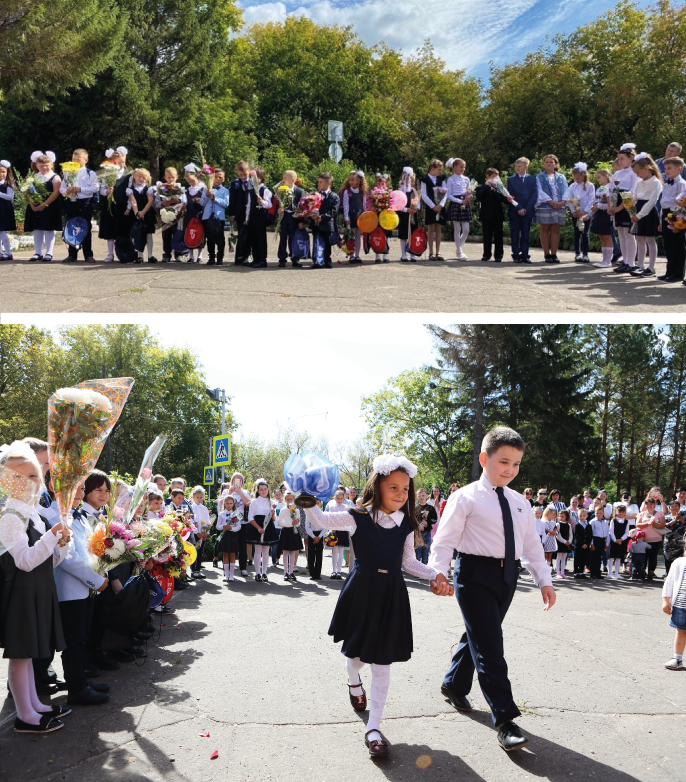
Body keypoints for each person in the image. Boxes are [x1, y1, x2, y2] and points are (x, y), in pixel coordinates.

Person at [303, 454, 451, 757]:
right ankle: (353, 679)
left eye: (405, 489)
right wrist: (309, 500)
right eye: (393, 488)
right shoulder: (357, 516)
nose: (400, 494)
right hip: (362, 591)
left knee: (382, 662)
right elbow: (319, 521)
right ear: (377, 487)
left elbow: (409, 562)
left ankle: (373, 727)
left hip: (391, 593)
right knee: (357, 656)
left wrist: (435, 574)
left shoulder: (407, 524)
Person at [430, 426, 554, 753]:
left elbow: (532, 545)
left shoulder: (520, 503)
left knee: (480, 635)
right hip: (473, 575)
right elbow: (443, 541)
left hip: (507, 577)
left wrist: (545, 580)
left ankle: (454, 683)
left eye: (516, 464)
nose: (510, 469)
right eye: (503, 461)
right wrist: (438, 573)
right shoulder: (466, 497)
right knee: (490, 646)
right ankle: (505, 720)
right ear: (485, 459)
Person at [0, 442, 72, 733]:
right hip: (20, 594)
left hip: (37, 591)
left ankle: (35, 705)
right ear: (6, 481)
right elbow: (25, 562)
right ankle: (24, 715)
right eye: (23, 476)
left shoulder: (33, 514)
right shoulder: (10, 516)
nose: (33, 481)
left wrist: (61, 544)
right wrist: (51, 536)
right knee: (21, 656)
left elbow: (46, 561)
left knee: (29, 655)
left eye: (35, 475)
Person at [52, 482, 110, 705]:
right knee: (74, 641)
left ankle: (82, 680)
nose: (80, 492)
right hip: (70, 588)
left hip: (85, 587)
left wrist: (100, 574)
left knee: (82, 637)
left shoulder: (78, 515)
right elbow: (68, 558)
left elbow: (90, 550)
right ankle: (77, 689)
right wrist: (96, 580)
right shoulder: (55, 514)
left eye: (81, 488)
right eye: (75, 488)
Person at [59, 149, 99, 263]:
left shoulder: (90, 173)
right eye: (73, 159)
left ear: (85, 160)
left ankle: (88, 255)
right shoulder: (67, 173)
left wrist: (79, 189)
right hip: (72, 203)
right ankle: (72, 254)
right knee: (71, 227)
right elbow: (61, 188)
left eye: (78, 159)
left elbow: (95, 188)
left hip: (85, 203)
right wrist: (67, 191)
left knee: (86, 227)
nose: (75, 161)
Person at [629, 152, 663, 278]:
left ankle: (651, 267)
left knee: (650, 239)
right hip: (638, 211)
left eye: (638, 172)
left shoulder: (655, 182)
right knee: (639, 239)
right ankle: (640, 265)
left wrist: (640, 215)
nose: (637, 175)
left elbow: (652, 201)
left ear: (646, 168)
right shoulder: (639, 183)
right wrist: (633, 213)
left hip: (648, 212)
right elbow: (635, 198)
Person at [25, 151, 62, 263]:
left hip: (49, 206)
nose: (44, 168)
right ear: (36, 165)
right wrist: (32, 204)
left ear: (51, 164)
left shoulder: (55, 177)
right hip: (35, 207)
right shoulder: (33, 177)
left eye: (46, 165)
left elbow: (56, 192)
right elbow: (27, 192)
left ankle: (49, 252)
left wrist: (45, 204)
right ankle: (38, 252)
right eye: (41, 165)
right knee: (37, 229)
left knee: (48, 229)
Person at [610, 144, 640, 274]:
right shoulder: (617, 173)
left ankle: (631, 262)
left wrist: (620, 207)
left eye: (622, 158)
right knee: (621, 233)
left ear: (631, 158)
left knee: (628, 234)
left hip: (627, 204)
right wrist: (611, 206)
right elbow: (611, 190)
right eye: (619, 158)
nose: (619, 161)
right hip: (617, 203)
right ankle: (625, 261)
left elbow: (633, 192)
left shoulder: (634, 172)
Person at [657, 156, 686, 283]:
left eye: (669, 168)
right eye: (665, 168)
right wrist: (660, 220)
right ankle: (669, 271)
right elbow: (663, 202)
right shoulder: (667, 183)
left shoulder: (682, 184)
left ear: (679, 169)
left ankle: (678, 273)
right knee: (668, 244)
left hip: (676, 214)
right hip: (666, 214)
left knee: (677, 245)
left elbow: (682, 202)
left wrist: (680, 220)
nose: (666, 170)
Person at [535, 154, 568, 264]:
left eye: (551, 162)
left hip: (559, 205)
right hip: (545, 205)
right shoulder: (539, 177)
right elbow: (539, 191)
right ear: (544, 164)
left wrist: (563, 201)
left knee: (555, 229)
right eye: (547, 162)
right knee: (544, 228)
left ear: (556, 164)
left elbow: (566, 190)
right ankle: (546, 254)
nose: (549, 164)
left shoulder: (561, 177)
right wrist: (549, 201)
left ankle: (554, 254)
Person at [98, 147, 128, 262]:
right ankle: (110, 254)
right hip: (110, 205)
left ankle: (123, 253)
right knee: (110, 229)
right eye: (118, 162)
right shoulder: (107, 173)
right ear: (112, 162)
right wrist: (107, 191)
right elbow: (101, 190)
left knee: (122, 230)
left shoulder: (128, 173)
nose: (121, 164)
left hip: (123, 205)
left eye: (123, 162)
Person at [476, 168, 510, 263]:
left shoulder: (499, 188)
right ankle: (486, 254)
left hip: (497, 215)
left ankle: (498, 255)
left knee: (498, 236)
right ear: (487, 176)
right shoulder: (481, 187)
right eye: (493, 176)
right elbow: (479, 196)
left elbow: (506, 200)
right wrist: (487, 186)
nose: (496, 179)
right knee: (487, 235)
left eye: (497, 176)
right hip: (486, 215)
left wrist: (503, 193)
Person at [506, 157, 537, 264]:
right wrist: (518, 208)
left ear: (526, 167)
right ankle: (516, 255)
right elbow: (509, 195)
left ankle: (525, 255)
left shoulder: (533, 179)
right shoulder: (511, 179)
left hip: (527, 212)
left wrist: (526, 209)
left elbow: (534, 195)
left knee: (525, 234)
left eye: (520, 166)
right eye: (516, 166)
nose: (517, 168)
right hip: (515, 211)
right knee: (515, 234)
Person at [661, 536, 686, 670]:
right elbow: (669, 582)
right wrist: (666, 600)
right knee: (681, 631)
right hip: (681, 605)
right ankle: (677, 658)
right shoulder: (679, 562)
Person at [246, 479, 278, 582]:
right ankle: (257, 573)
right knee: (258, 550)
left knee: (266, 551)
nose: (264, 491)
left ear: (268, 490)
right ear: (258, 491)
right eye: (261, 490)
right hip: (257, 526)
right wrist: (258, 528)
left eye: (265, 489)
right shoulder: (254, 502)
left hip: (268, 526)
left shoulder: (271, 502)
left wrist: (273, 514)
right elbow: (250, 517)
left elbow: (274, 519)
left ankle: (264, 573)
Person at [564, 162, 594, 264]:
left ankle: (585, 254)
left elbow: (591, 200)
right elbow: (569, 199)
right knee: (577, 233)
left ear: (583, 175)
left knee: (585, 233)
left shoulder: (590, 186)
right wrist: (573, 211)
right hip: (576, 213)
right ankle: (577, 253)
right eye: (575, 177)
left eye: (578, 177)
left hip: (586, 214)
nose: (577, 179)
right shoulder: (573, 186)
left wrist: (586, 212)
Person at [126, 168, 157, 263]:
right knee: (138, 234)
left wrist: (143, 212)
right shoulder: (130, 189)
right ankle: (140, 255)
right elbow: (133, 201)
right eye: (139, 176)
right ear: (134, 177)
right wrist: (137, 213)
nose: (141, 179)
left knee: (149, 235)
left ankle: (150, 255)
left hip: (147, 213)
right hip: (136, 214)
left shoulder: (149, 188)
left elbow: (150, 201)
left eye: (144, 177)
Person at [155, 166, 186, 262]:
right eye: (168, 177)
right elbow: (156, 203)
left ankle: (179, 253)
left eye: (173, 177)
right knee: (166, 234)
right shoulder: (161, 188)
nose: (171, 179)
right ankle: (167, 254)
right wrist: (162, 203)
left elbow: (184, 202)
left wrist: (177, 200)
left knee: (178, 233)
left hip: (178, 215)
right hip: (166, 214)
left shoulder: (180, 188)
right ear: (165, 177)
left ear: (177, 177)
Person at [445, 158, 473, 260]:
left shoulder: (466, 179)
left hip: (465, 203)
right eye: (461, 166)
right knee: (457, 228)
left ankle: (458, 248)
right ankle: (460, 252)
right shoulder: (451, 179)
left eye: (464, 167)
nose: (463, 168)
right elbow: (449, 195)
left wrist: (469, 197)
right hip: (456, 204)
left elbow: (470, 192)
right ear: (455, 167)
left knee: (466, 230)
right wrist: (460, 201)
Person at [200, 168, 229, 266]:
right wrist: (206, 196)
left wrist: (215, 198)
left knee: (220, 238)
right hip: (207, 217)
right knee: (209, 238)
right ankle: (211, 257)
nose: (217, 179)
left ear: (223, 179)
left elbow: (226, 203)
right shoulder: (206, 188)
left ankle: (220, 257)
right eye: (215, 177)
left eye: (220, 177)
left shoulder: (225, 191)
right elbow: (202, 203)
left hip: (218, 217)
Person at [276, 170, 305, 267]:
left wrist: (301, 221)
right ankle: (282, 258)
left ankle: (295, 258)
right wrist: (279, 209)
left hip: (294, 218)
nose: (283, 180)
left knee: (293, 238)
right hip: (284, 218)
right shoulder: (280, 190)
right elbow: (277, 204)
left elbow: (302, 207)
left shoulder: (300, 191)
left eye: (285, 178)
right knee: (283, 238)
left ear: (292, 180)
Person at [420, 159, 447, 261]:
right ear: (432, 168)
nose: (440, 171)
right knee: (431, 229)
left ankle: (438, 252)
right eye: (439, 169)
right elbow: (424, 194)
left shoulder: (442, 178)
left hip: (440, 206)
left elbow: (445, 192)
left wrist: (441, 205)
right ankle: (431, 253)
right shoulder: (424, 179)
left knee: (438, 229)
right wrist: (433, 206)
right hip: (430, 206)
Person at [635, 497, 666, 580]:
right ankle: (643, 572)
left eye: (651, 504)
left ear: (654, 504)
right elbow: (637, 524)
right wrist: (648, 523)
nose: (649, 506)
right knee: (643, 556)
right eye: (647, 504)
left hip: (656, 539)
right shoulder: (641, 514)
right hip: (643, 539)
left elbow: (663, 525)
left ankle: (651, 573)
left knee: (653, 557)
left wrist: (654, 523)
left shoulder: (659, 514)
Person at [590, 168, 615, 268]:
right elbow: (596, 201)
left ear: (606, 176)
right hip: (598, 214)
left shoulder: (610, 188)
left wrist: (599, 206)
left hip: (606, 214)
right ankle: (604, 259)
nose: (598, 179)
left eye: (599, 177)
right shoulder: (600, 188)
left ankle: (608, 260)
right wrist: (594, 207)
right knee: (601, 236)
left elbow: (610, 204)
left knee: (607, 236)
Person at [181, 164, 206, 264]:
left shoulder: (203, 188)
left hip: (199, 214)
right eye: (188, 180)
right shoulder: (186, 190)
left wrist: (199, 200)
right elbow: (185, 202)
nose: (189, 182)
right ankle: (190, 255)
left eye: (191, 180)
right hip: (189, 214)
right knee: (189, 234)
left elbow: (205, 201)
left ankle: (200, 255)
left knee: (200, 234)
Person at [248, 166, 272, 269]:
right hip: (253, 216)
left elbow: (269, 204)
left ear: (261, 178)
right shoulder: (252, 189)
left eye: (254, 178)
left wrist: (261, 201)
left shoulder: (264, 189)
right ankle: (255, 258)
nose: (252, 180)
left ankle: (262, 260)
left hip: (261, 217)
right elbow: (249, 204)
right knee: (253, 238)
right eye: (251, 178)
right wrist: (247, 217)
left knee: (260, 238)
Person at [340, 170, 366, 264]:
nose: (351, 182)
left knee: (358, 236)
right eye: (349, 180)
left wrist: (365, 216)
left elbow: (364, 206)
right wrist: (346, 218)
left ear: (358, 181)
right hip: (350, 216)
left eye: (353, 180)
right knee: (350, 237)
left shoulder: (362, 192)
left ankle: (357, 255)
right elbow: (346, 205)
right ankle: (351, 255)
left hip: (359, 216)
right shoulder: (347, 192)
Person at [217, 494, 242, 583]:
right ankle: (226, 574)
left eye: (230, 503)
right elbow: (217, 526)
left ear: (233, 503)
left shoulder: (236, 514)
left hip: (232, 536)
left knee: (232, 555)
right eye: (227, 503)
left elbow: (238, 527)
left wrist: (231, 528)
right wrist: (223, 527)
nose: (229, 505)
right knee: (225, 555)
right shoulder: (221, 514)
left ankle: (231, 575)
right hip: (224, 536)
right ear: (224, 503)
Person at [397, 167, 419, 263]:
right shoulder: (400, 190)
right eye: (406, 178)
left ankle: (412, 253)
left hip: (412, 215)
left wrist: (415, 208)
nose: (408, 180)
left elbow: (417, 201)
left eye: (410, 178)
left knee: (413, 234)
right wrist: (407, 210)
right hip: (403, 215)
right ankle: (403, 254)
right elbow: (397, 204)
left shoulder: (413, 190)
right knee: (403, 235)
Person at [277, 490, 301, 582]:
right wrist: (291, 524)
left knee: (292, 553)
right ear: (285, 500)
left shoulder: (296, 510)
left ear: (294, 499)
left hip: (293, 532)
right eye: (287, 499)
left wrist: (295, 524)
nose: (289, 500)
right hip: (285, 532)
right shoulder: (283, 510)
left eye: (291, 499)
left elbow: (298, 523)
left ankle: (291, 572)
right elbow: (279, 522)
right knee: (285, 552)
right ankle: (285, 572)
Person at [325, 489, 349, 578]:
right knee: (334, 551)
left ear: (344, 498)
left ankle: (339, 571)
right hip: (334, 531)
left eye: (341, 498)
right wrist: (333, 527)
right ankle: (334, 571)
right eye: (337, 498)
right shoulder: (332, 507)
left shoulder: (346, 507)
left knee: (341, 550)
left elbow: (346, 520)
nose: (339, 500)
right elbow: (330, 519)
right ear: (335, 498)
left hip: (342, 531)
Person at [189, 486, 210, 578]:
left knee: (200, 551)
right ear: (193, 497)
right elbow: (191, 521)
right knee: (193, 551)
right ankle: (193, 570)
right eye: (197, 497)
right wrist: (197, 532)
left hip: (202, 534)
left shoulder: (204, 508)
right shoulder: (191, 507)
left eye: (201, 497)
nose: (199, 499)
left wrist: (206, 532)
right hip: (194, 533)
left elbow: (207, 521)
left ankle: (198, 570)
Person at [663, 501, 686, 575]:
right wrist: (675, 519)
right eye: (672, 507)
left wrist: (680, 518)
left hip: (680, 543)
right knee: (668, 560)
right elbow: (665, 526)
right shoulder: (666, 517)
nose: (674, 508)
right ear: (669, 508)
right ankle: (668, 574)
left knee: (680, 561)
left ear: (679, 507)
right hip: (669, 543)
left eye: (676, 506)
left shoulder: (684, 516)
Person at [415, 488, 438, 565]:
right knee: (417, 554)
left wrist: (427, 522)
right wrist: (418, 525)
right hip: (418, 534)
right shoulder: (415, 508)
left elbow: (435, 519)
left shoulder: (430, 508)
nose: (421, 497)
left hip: (427, 533)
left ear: (426, 496)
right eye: (419, 496)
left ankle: (425, 571)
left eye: (423, 495)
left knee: (425, 553)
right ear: (417, 497)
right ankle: (418, 571)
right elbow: (412, 520)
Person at [608, 505, 631, 579]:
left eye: (623, 512)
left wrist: (621, 539)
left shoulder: (626, 521)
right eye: (619, 511)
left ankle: (617, 573)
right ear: (616, 512)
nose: (621, 513)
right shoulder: (613, 520)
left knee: (618, 557)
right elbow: (611, 531)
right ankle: (610, 573)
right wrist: (615, 540)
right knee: (611, 557)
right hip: (613, 541)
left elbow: (627, 532)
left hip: (621, 541)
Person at [589, 505, 610, 579]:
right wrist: (591, 544)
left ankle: (598, 573)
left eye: (600, 513)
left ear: (603, 513)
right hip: (595, 540)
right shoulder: (592, 522)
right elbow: (590, 534)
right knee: (594, 557)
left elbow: (607, 533)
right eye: (597, 513)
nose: (599, 514)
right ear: (595, 513)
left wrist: (607, 544)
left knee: (599, 557)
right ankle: (593, 573)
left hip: (602, 540)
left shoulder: (605, 522)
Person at [305, 503, 324, 580]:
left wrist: (319, 537)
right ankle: (312, 574)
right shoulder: (309, 514)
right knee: (311, 554)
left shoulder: (322, 513)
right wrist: (313, 536)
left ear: (320, 504)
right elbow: (307, 526)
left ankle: (318, 573)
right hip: (311, 534)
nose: (316, 505)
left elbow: (325, 526)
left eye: (318, 503)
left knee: (319, 554)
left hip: (320, 534)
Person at [572, 508, 592, 578]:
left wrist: (587, 544)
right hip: (578, 546)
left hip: (586, 546)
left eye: (584, 515)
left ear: (587, 516)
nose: (582, 517)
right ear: (578, 516)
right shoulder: (577, 525)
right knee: (577, 559)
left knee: (583, 559)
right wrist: (581, 544)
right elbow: (577, 536)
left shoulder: (589, 525)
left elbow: (590, 535)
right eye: (580, 515)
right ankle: (576, 572)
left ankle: (581, 571)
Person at [555, 509, 573, 578]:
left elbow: (570, 534)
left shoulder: (569, 525)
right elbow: (557, 535)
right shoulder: (558, 524)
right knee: (558, 557)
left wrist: (569, 541)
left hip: (567, 543)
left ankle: (562, 572)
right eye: (560, 516)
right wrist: (564, 541)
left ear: (566, 517)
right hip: (560, 543)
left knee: (564, 558)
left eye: (562, 516)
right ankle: (558, 573)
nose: (561, 517)